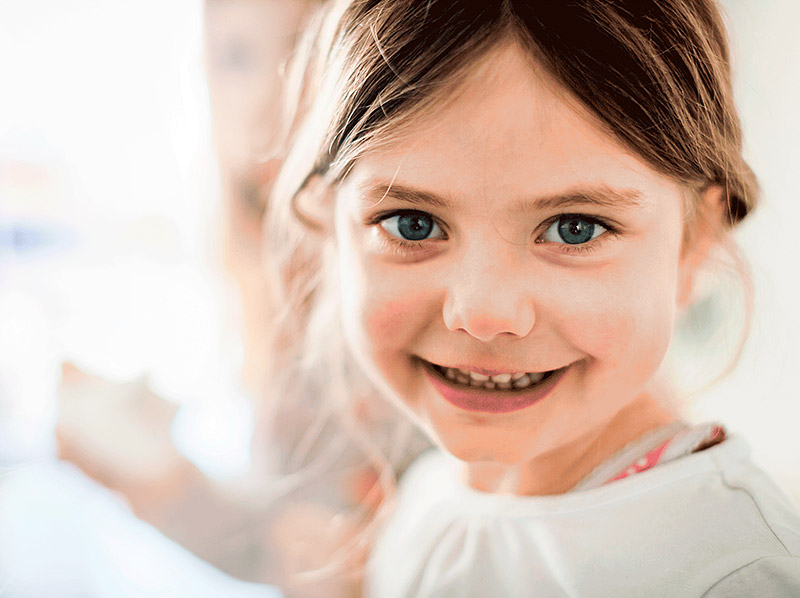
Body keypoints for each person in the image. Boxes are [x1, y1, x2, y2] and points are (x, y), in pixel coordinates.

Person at [264, 0, 800, 596]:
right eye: (412, 223)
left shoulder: (734, 572)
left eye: (577, 228)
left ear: (695, 240)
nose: (484, 314)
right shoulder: (423, 505)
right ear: (332, 228)